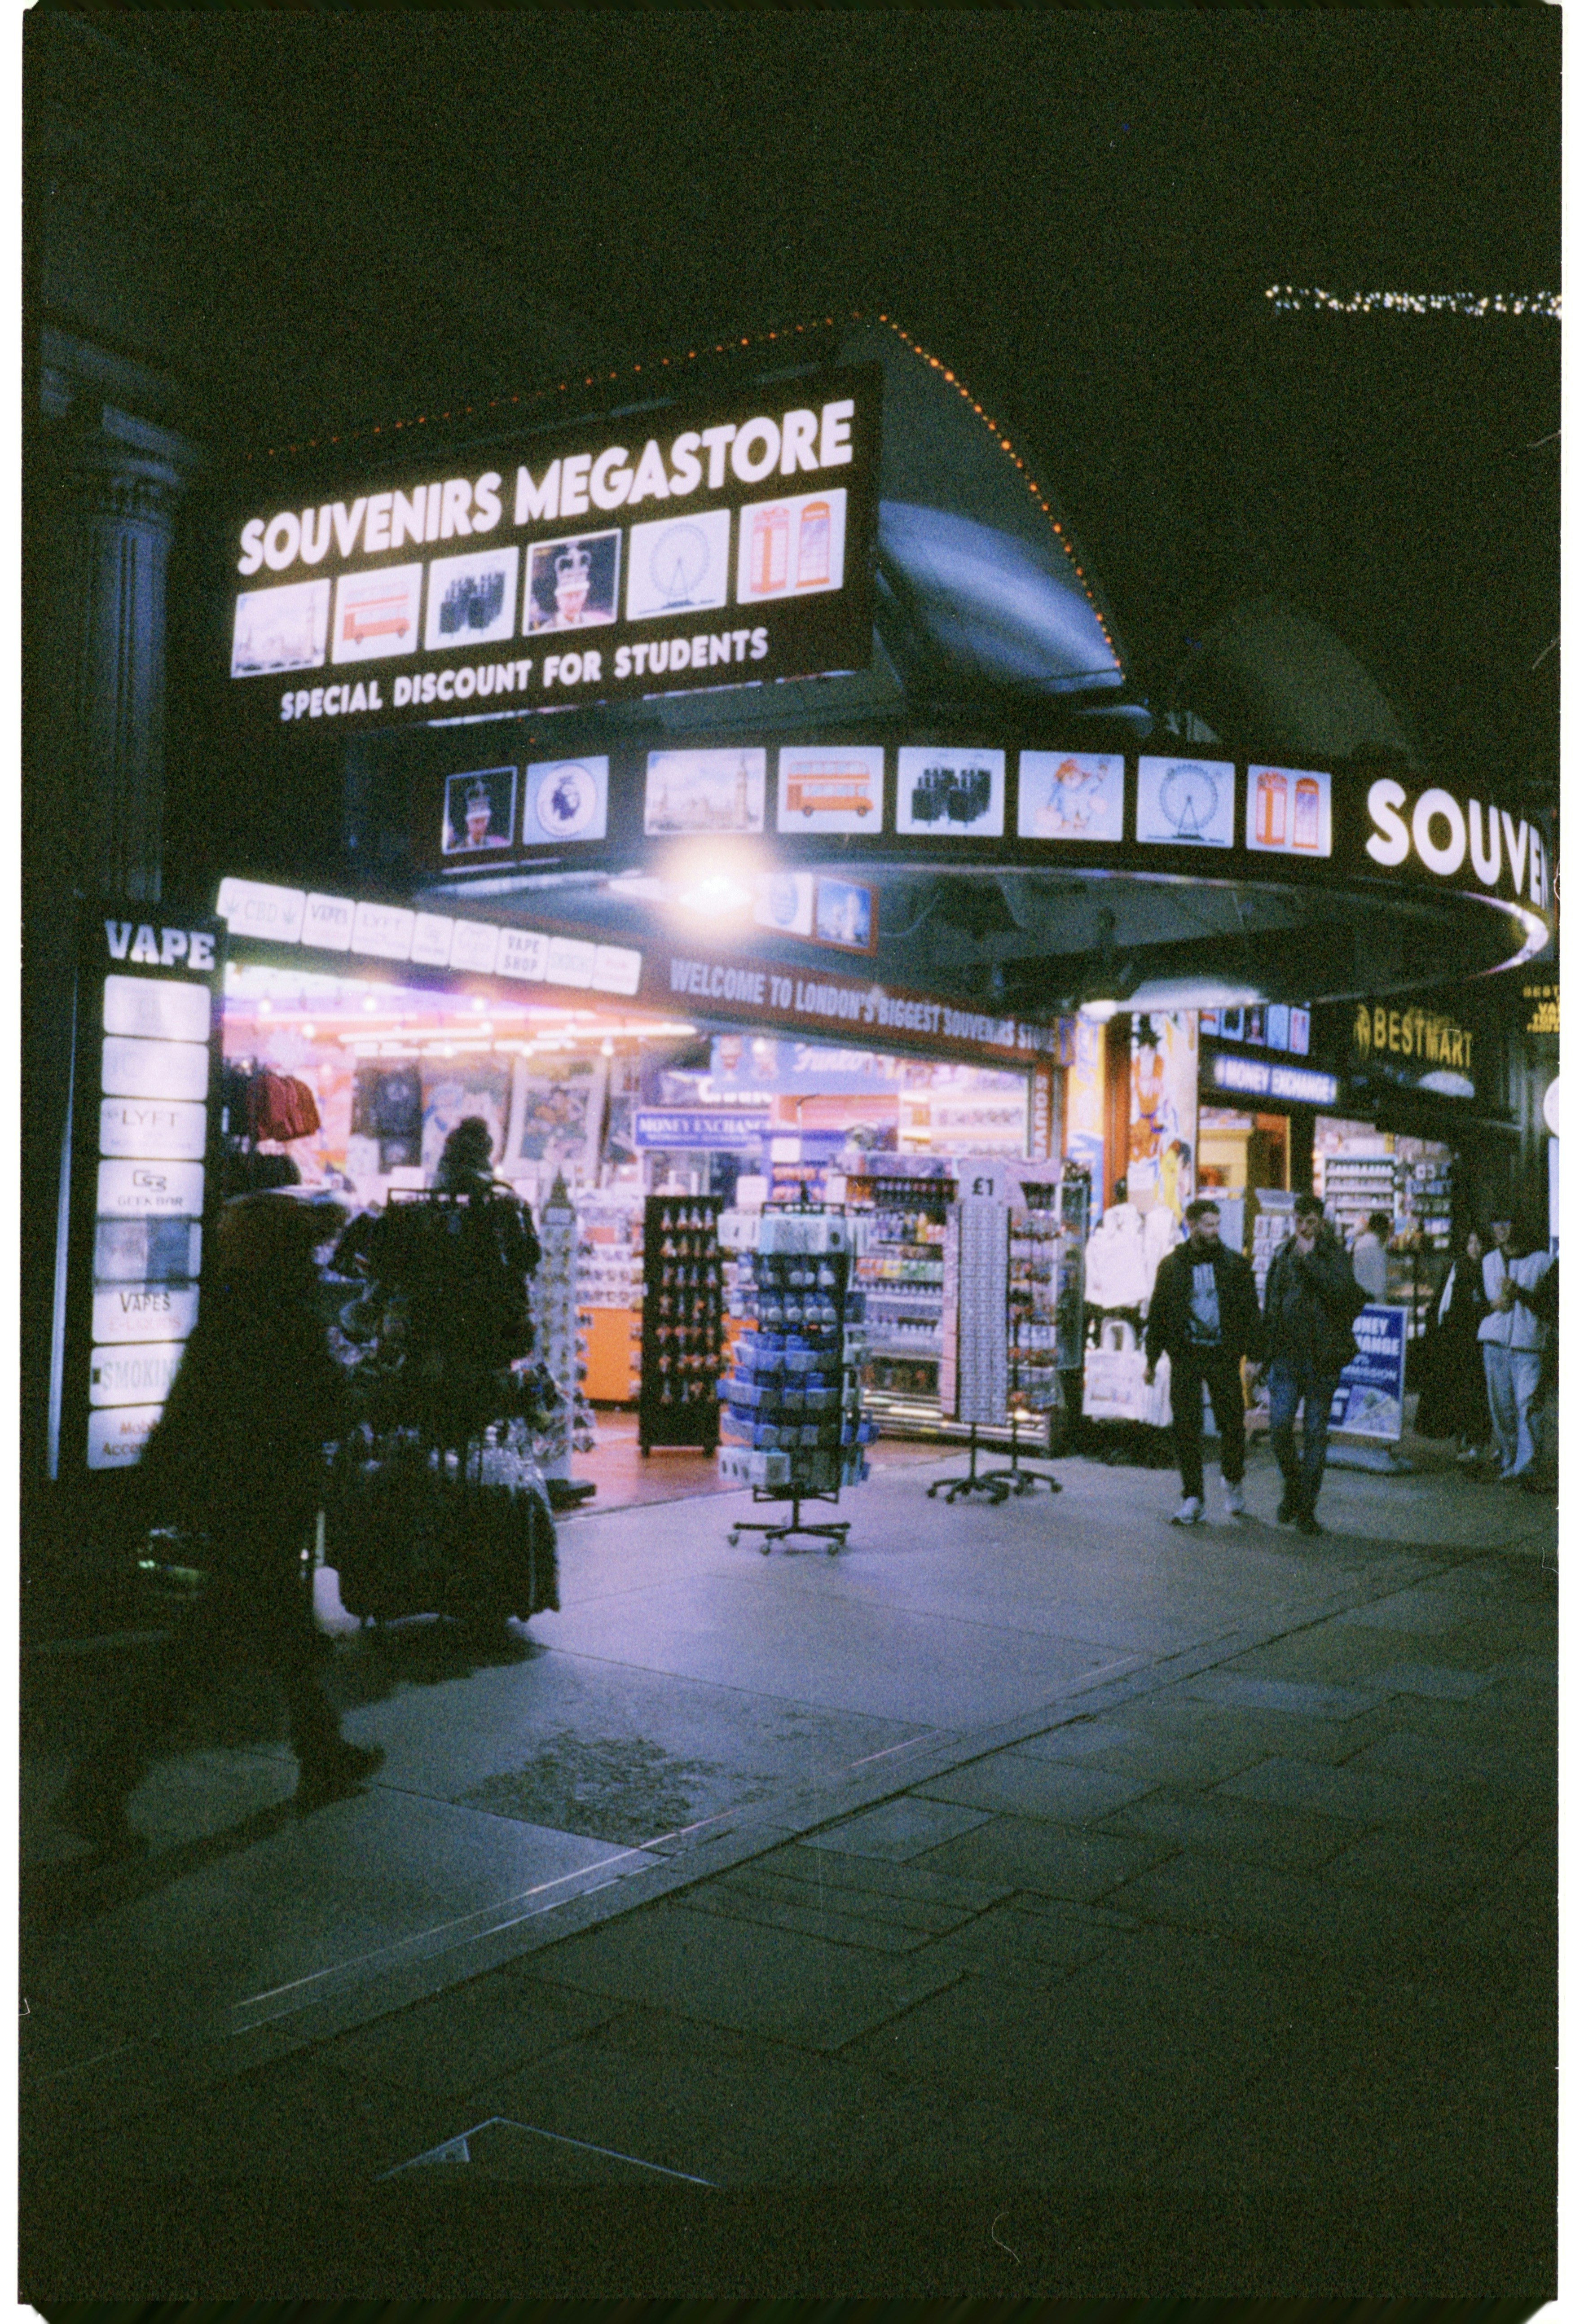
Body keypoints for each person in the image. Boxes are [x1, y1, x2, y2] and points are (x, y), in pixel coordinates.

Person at [55, 1191, 383, 1863]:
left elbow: (192, 1403)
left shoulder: (236, 1307)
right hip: (264, 1499)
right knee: (203, 1651)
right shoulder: (281, 1315)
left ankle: (321, 1748)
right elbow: (316, 1402)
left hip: (241, 1499)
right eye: (305, 1248)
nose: (315, 1259)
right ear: (284, 1254)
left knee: (279, 1633)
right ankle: (100, 1785)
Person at [1144, 1197, 1265, 1525]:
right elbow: (1158, 1314)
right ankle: (1193, 1497)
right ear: (1192, 1225)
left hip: (1223, 1356)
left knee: (1232, 1423)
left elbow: (1250, 1312)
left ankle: (1233, 1479)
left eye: (1217, 1224)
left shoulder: (1234, 1265)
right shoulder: (1172, 1266)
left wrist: (1254, 1355)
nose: (1214, 1231)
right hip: (1186, 1356)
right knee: (1186, 1427)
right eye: (1208, 1225)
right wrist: (1151, 1359)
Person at [1258, 1193, 1366, 1536]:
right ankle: (1294, 1486)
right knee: (1279, 1428)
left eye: (1310, 1222)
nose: (1303, 1228)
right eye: (1299, 1221)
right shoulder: (1282, 1254)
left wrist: (1309, 1262)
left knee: (1316, 1434)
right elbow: (1272, 1304)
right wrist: (1263, 1353)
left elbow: (1343, 1295)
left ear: (1321, 1223)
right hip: (1287, 1357)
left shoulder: (1334, 1255)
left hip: (1322, 1358)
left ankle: (1306, 1509)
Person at [1478, 1212, 1555, 1484]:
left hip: (1529, 1344)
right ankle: (1510, 1461)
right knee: (1502, 1408)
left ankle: (1527, 1467)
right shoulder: (1488, 1261)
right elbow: (1480, 1302)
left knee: (1528, 1406)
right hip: (1495, 1343)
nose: (1500, 1229)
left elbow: (1552, 1306)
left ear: (1518, 1226)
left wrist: (1518, 1293)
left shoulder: (1543, 1262)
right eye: (1495, 1224)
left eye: (1506, 1223)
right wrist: (1492, 1304)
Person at [1413, 1227, 1491, 1460]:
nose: (1474, 1248)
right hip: (1453, 1341)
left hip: (1472, 1342)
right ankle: (1463, 1442)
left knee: (1471, 1394)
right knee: (1460, 1395)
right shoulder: (1457, 1267)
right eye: (1470, 1243)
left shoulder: (1484, 1269)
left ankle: (1472, 1443)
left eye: (1478, 1243)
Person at [1351, 1211, 1392, 1301]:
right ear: (1384, 1231)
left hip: (1358, 1296)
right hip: (1372, 1299)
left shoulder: (1360, 1243)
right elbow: (1380, 1285)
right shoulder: (1377, 1249)